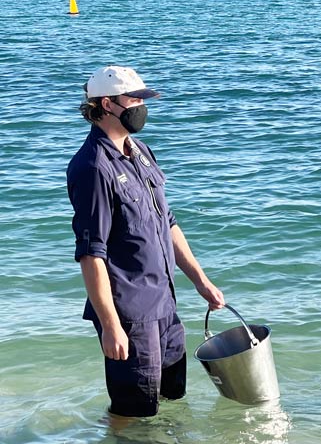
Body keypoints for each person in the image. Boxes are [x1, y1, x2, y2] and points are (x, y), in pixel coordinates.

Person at [68, 65, 224, 418]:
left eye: (143, 98)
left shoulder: (139, 151)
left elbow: (167, 224)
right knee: (134, 411)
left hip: (164, 302)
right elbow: (91, 254)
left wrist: (202, 282)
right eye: (134, 99)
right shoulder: (92, 168)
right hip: (130, 314)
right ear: (107, 104)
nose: (141, 105)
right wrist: (110, 327)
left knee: (172, 399)